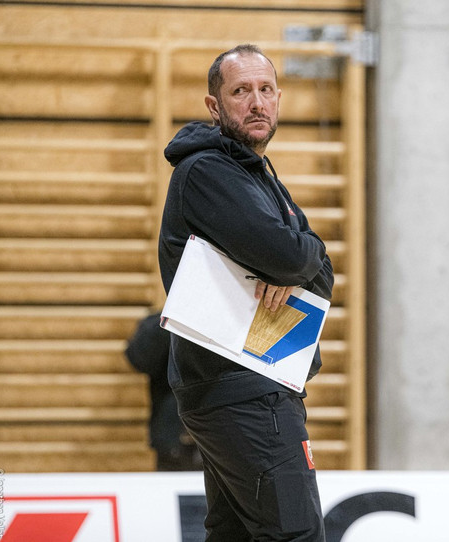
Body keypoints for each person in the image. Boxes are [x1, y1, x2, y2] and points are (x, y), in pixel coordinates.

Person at [158, 44, 333, 541]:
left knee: (235, 535)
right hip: (244, 389)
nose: (257, 102)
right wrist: (296, 258)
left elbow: (316, 266)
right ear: (215, 107)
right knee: (293, 533)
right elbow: (297, 257)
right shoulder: (209, 173)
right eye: (240, 91)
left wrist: (298, 258)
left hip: (247, 385)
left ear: (279, 98)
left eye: (265, 90)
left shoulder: (256, 175)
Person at [124, 311, 202, 471]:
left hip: (224, 437)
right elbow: (138, 359)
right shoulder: (161, 322)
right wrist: (175, 317)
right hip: (173, 440)